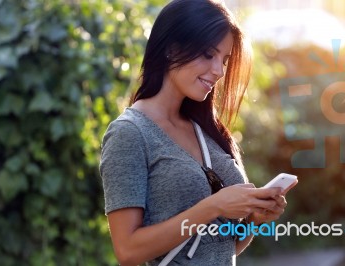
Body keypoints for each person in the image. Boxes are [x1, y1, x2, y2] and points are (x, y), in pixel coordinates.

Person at [100, 0, 295, 265]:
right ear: (172, 49)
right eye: (208, 55)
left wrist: (254, 220)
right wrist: (213, 206)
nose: (219, 71)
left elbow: (222, 247)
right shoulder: (129, 133)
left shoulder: (206, 131)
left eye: (224, 60)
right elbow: (128, 251)